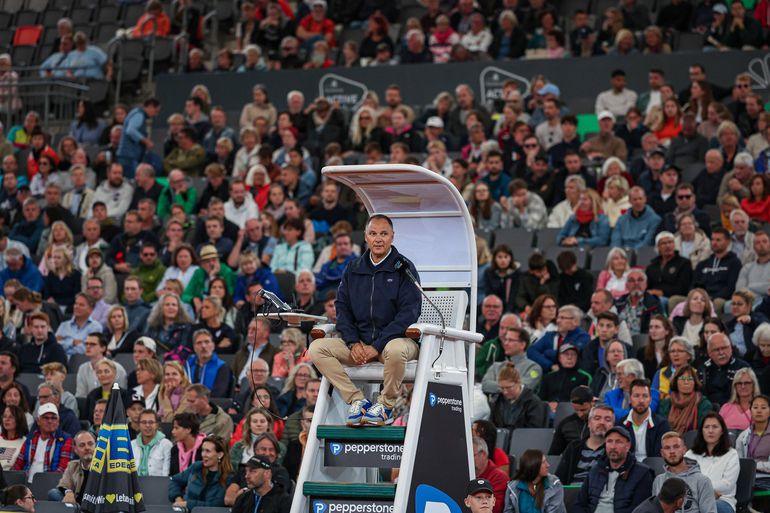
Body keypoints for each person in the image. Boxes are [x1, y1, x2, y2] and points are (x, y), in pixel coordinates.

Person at [309, 215, 420, 426]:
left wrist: (376, 346)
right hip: (359, 345)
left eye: (384, 234)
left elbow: (409, 313)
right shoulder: (353, 268)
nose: (378, 239)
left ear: (392, 237)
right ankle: (358, 401)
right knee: (317, 348)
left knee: (396, 349)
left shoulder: (404, 268)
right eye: (373, 233)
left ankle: (386, 406)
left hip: (395, 343)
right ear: (366, 238)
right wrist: (352, 342)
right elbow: (342, 308)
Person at [573, 425, 653, 513]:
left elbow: (640, 509)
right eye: (609, 441)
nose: (613, 446)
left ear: (628, 446)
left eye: (618, 442)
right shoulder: (595, 470)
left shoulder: (642, 473)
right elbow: (580, 504)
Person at [685, 412, 740, 513]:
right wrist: (706, 492)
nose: (710, 431)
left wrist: (701, 491)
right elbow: (683, 479)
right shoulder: (690, 454)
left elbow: (727, 485)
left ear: (722, 431)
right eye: (706, 427)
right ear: (701, 431)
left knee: (706, 506)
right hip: (692, 500)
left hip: (722, 501)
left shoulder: (731, 454)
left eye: (715, 427)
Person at [652, 431, 717, 513]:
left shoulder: (702, 481)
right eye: (667, 448)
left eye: (676, 447)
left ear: (684, 450)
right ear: (662, 453)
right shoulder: (658, 480)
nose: (672, 451)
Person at [169, 436, 235, 509]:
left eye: (208, 451)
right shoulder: (197, 467)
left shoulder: (229, 477)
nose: (203, 454)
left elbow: (217, 505)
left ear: (220, 455)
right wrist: (178, 498)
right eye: (202, 450)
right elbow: (175, 480)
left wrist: (188, 504)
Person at [12, 404, 72, 483]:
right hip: (26, 484)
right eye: (46, 418)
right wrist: (11, 477)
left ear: (58, 421)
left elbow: (63, 469)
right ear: (38, 421)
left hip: (50, 484)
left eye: (53, 418)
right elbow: (19, 463)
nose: (50, 421)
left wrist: (46, 484)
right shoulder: (30, 438)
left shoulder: (65, 439)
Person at [556, 404, 614, 485]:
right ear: (589, 423)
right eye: (597, 418)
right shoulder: (574, 447)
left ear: (613, 425)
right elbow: (560, 478)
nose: (602, 422)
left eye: (607, 420)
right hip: (572, 493)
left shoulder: (614, 449)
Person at [482, 327, 543, 395]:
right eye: (505, 340)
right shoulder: (496, 366)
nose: (506, 343)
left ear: (522, 345)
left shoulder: (533, 368)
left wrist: (498, 386)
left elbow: (522, 388)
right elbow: (485, 385)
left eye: (510, 340)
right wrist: (509, 387)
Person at [528, 305, 589, 372]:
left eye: (562, 318)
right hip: (549, 376)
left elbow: (567, 354)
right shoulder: (550, 335)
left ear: (575, 321)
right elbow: (531, 351)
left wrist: (546, 353)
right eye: (558, 317)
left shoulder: (582, 337)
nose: (558, 321)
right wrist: (550, 365)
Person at [491, 363, 549, 430]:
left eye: (509, 387)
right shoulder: (498, 401)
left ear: (518, 382)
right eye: (502, 388)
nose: (505, 392)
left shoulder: (534, 402)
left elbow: (534, 430)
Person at [699, 333, 750, 407]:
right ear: (709, 353)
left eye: (724, 348)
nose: (721, 353)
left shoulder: (743, 368)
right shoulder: (703, 369)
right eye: (716, 350)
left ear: (731, 349)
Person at [49, 430, 96, 503]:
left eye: (90, 444)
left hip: (96, 504)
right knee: (53, 493)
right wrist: (68, 492)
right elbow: (63, 485)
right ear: (76, 450)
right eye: (82, 445)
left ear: (96, 446)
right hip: (77, 504)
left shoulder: (105, 466)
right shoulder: (72, 465)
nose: (87, 448)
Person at [735, 394, 770, 489]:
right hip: (747, 478)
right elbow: (739, 461)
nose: (759, 411)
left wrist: (755, 465)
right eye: (755, 407)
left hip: (767, 478)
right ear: (750, 411)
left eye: (763, 407)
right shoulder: (743, 436)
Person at [185, 330, 234, 398]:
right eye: (199, 343)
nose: (203, 346)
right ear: (194, 347)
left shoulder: (222, 367)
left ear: (213, 346)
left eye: (207, 342)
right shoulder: (188, 366)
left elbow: (219, 394)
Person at [131, 409, 172, 477]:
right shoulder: (131, 444)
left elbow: (166, 472)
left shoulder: (166, 444)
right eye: (144, 422)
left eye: (151, 422)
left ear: (157, 424)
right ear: (139, 424)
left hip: (157, 485)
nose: (147, 425)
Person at [472, 437, 507, 513]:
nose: (469, 459)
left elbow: (494, 507)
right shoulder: (464, 475)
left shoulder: (499, 477)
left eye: (472, 455)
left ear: (484, 454)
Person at [718, 367, 760, 431]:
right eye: (739, 383)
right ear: (735, 386)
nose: (743, 386)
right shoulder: (726, 408)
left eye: (747, 383)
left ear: (753, 384)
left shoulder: (761, 408)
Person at [0, 406, 29, 471]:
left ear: (19, 419)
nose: (6, 419)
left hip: (12, 478)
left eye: (11, 417)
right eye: (4, 416)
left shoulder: (26, 442)